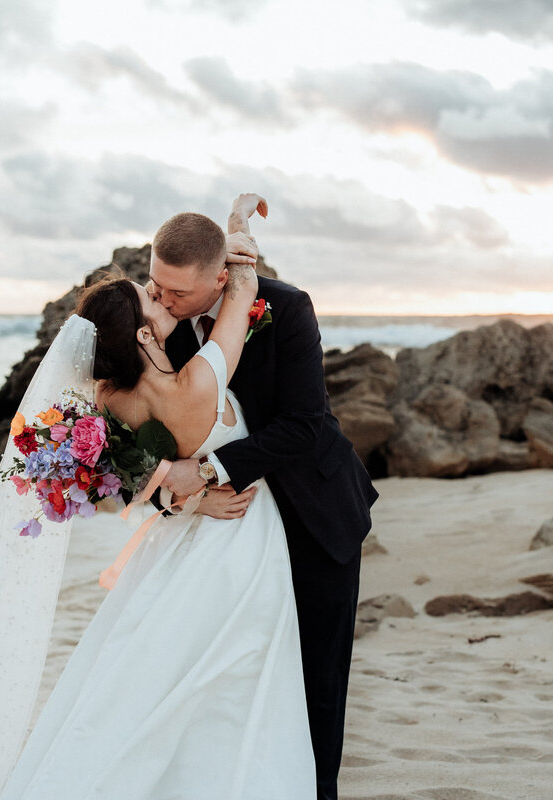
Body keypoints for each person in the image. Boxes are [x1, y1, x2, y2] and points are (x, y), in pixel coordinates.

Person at [0, 196, 325, 799]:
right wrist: (236, 233)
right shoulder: (195, 381)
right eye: (154, 295)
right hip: (239, 551)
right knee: (231, 682)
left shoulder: (109, 398)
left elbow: (126, 476)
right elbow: (240, 294)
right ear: (137, 330)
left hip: (178, 544)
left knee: (147, 679)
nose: (163, 298)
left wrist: (182, 498)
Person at [149, 195, 379, 800]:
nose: (164, 301)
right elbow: (140, 447)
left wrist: (208, 471)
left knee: (317, 678)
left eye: (178, 292)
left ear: (222, 278)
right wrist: (186, 497)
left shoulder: (286, 308)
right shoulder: (154, 329)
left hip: (314, 514)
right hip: (226, 535)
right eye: (156, 284)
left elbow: (306, 423)